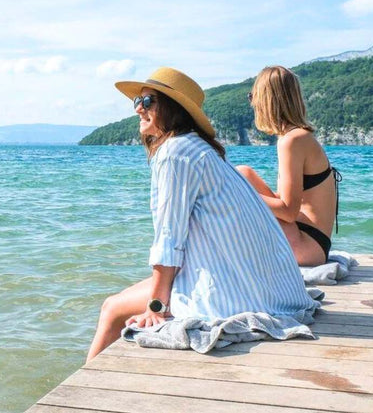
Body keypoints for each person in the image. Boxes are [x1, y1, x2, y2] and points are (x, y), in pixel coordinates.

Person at [86, 67, 318, 362]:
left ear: (172, 108)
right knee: (123, 303)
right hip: (275, 291)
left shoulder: (175, 152)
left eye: (147, 102)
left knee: (111, 309)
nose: (139, 110)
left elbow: (169, 237)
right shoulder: (200, 150)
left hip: (238, 295)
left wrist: (156, 307)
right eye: (137, 102)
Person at [237, 65, 341, 267]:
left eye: (253, 96)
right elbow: (293, 205)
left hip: (308, 247)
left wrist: (242, 195)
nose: (253, 104)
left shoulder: (291, 141)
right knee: (244, 173)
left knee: (239, 181)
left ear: (267, 100)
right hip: (313, 240)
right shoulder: (299, 136)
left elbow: (288, 211)